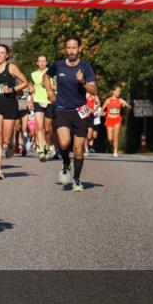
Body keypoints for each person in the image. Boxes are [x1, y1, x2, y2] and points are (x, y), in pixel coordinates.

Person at [45, 36, 97, 192]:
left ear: (79, 48)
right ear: (65, 49)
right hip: (62, 109)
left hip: (80, 111)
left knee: (79, 149)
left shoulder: (86, 67)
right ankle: (66, 162)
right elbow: (45, 76)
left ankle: (77, 180)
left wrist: (83, 82)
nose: (71, 51)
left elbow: (94, 90)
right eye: (68, 47)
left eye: (74, 47)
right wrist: (49, 91)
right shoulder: (58, 65)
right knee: (63, 143)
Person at [0, 44, 28, 179]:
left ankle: (10, 144)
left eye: (2, 53)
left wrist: (12, 89)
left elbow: (25, 82)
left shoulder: (11, 67)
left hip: (10, 104)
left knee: (6, 138)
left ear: (7, 55)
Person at [29, 55, 55, 161]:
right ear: (37, 63)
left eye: (44, 61)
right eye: (40, 61)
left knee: (48, 129)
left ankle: (47, 146)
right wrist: (30, 89)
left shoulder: (52, 73)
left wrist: (49, 86)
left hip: (49, 101)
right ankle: (41, 150)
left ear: (47, 62)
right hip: (38, 101)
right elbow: (30, 85)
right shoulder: (33, 74)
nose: (42, 63)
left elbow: (57, 87)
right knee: (39, 126)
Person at [102, 85, 132, 157]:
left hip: (117, 120)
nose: (119, 93)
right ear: (113, 91)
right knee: (110, 138)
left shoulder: (120, 100)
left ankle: (115, 151)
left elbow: (130, 106)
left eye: (120, 91)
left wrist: (125, 105)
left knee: (116, 136)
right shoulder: (108, 100)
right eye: (118, 91)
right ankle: (113, 145)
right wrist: (103, 113)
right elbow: (102, 109)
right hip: (109, 120)